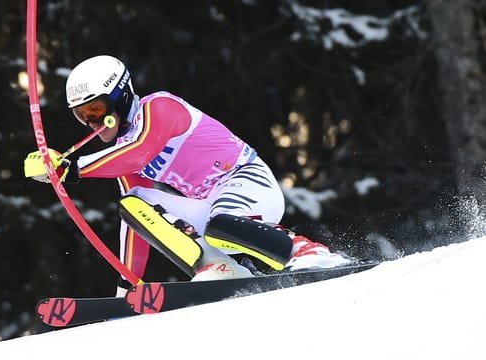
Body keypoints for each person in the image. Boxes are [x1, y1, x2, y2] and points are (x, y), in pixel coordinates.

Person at [24, 55, 351, 295]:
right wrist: (128, 286)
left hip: (247, 181)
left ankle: (309, 252)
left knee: (220, 223)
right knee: (135, 202)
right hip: (209, 205)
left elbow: (142, 148)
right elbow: (136, 223)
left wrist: (73, 168)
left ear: (122, 97)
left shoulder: (160, 108)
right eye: (82, 115)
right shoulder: (124, 151)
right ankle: (220, 267)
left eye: (96, 110)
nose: (92, 123)